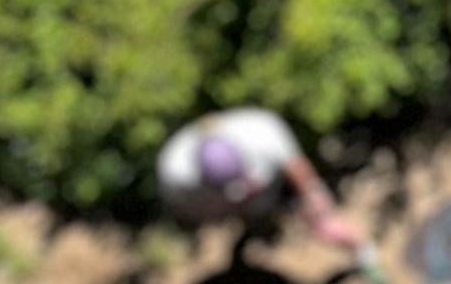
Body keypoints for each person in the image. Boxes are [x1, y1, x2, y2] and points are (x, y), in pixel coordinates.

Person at [154, 104, 372, 270]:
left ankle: (364, 250)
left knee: (324, 223)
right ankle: (257, 238)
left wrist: (319, 209)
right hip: (226, 202)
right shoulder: (175, 171)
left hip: (274, 184)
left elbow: (301, 173)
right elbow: (191, 210)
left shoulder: (265, 134)